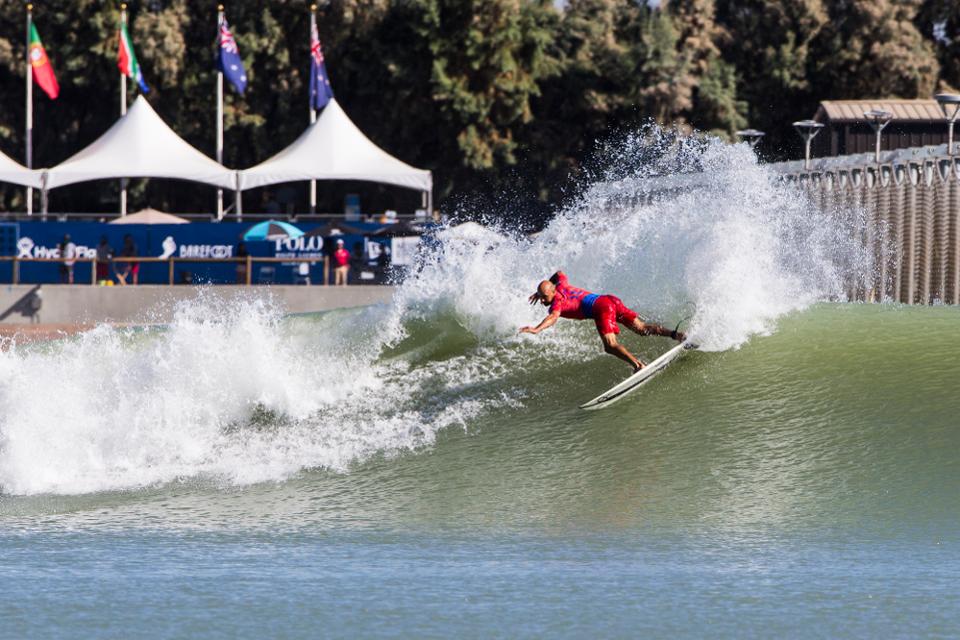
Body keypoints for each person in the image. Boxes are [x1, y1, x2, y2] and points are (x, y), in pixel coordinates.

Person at [520, 271, 685, 372]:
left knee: (610, 346)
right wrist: (544, 289)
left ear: (552, 292)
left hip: (601, 308)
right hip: (609, 299)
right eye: (540, 297)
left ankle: (638, 365)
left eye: (544, 297)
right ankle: (678, 335)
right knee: (642, 329)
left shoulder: (557, 302)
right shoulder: (561, 285)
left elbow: (553, 317)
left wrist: (537, 329)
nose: (542, 301)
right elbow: (560, 273)